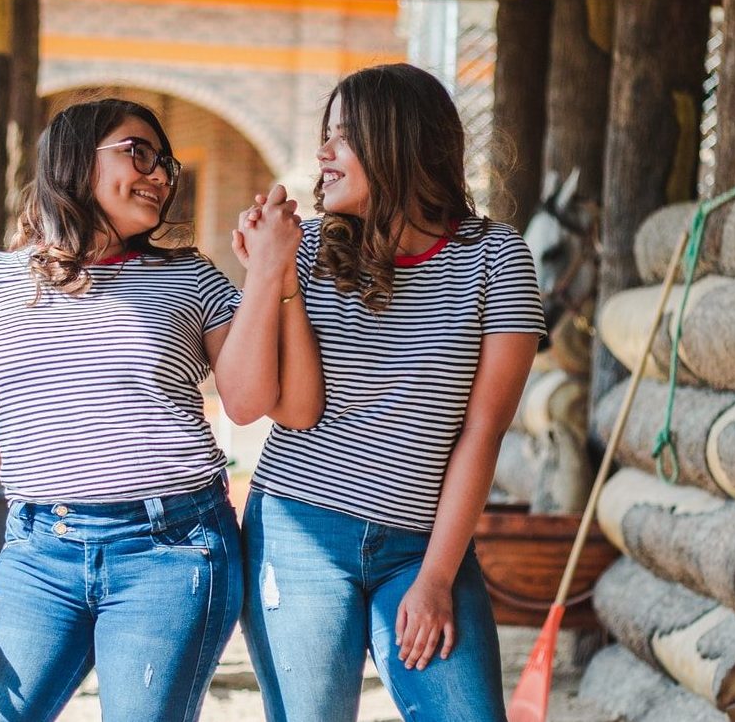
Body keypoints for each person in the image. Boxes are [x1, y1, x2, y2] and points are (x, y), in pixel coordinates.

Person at [0, 98, 320, 722]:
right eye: (138, 153)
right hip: (36, 556)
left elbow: (248, 404)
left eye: (166, 164)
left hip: (174, 550)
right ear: (75, 159)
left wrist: (269, 271)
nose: (159, 174)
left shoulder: (192, 279)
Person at [234, 63, 546, 722]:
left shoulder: (497, 257)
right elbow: (290, 409)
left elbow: (481, 432)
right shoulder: (308, 246)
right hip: (298, 524)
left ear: (402, 141)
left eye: (344, 136)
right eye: (327, 133)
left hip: (425, 544)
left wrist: (435, 578)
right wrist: (274, 272)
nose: (323, 153)